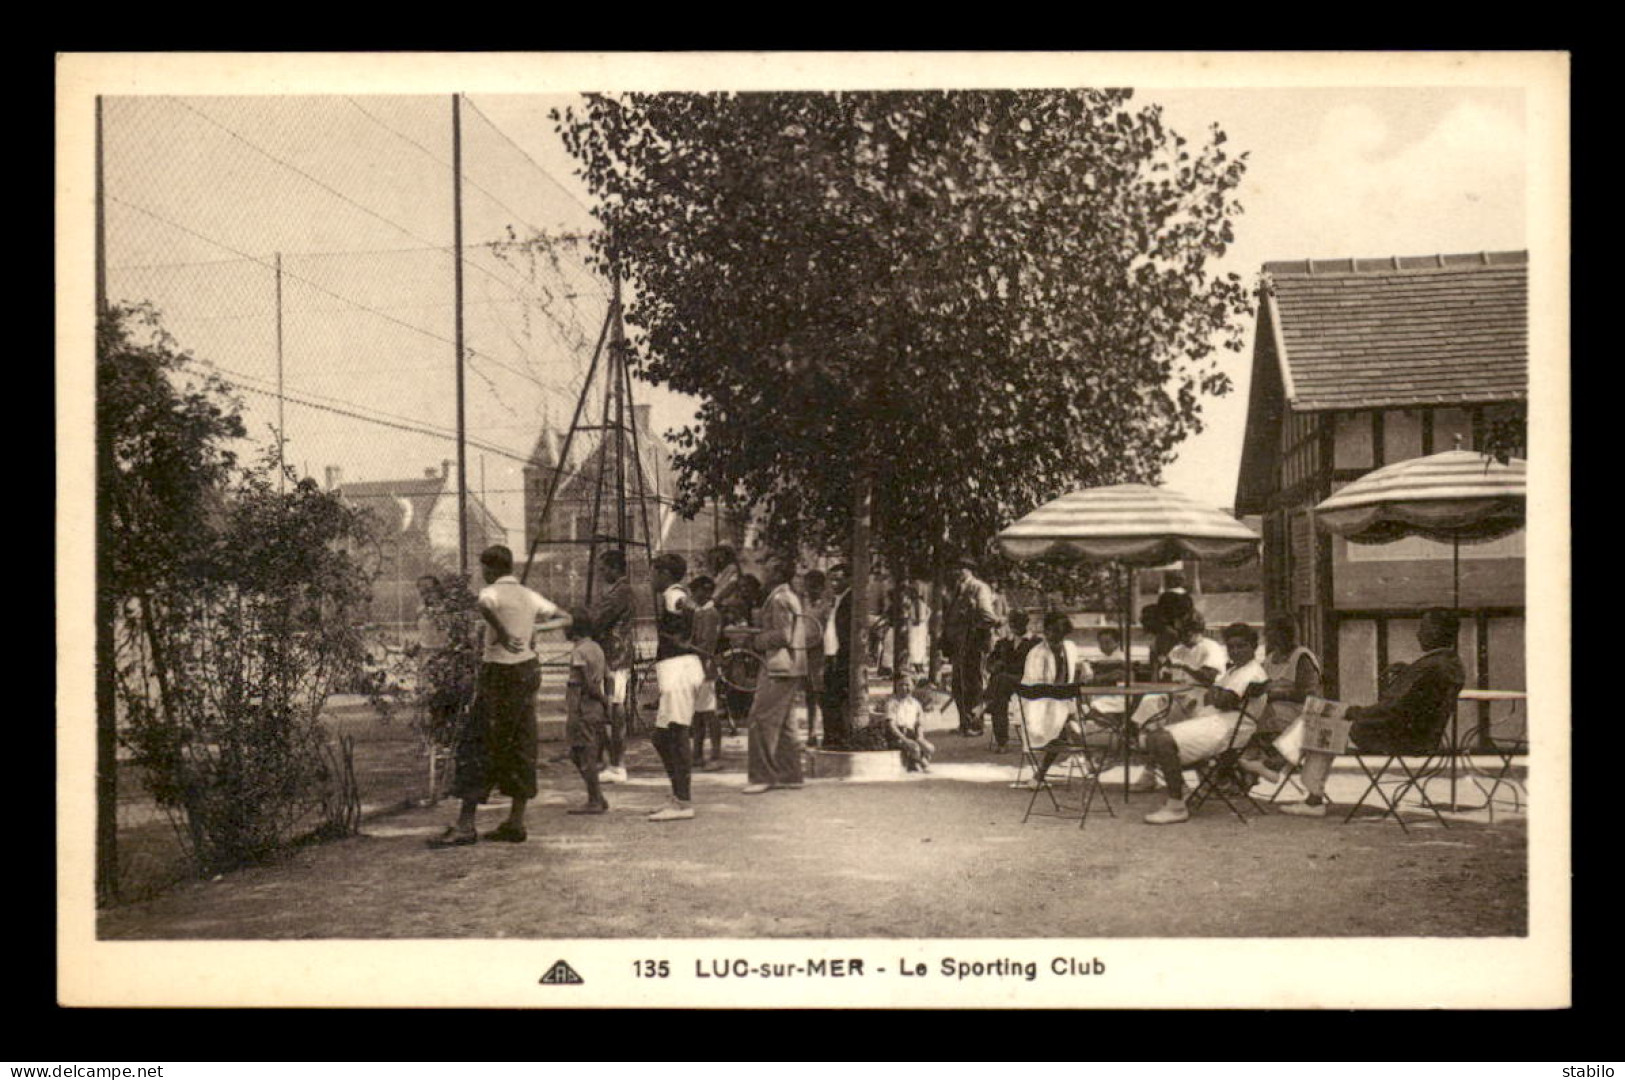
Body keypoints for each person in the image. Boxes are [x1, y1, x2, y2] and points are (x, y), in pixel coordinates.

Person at [429, 545, 570, 848]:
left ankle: (466, 826)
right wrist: (535, 630)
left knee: (479, 742)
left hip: (500, 673)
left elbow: (483, 606)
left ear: (490, 569)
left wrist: (504, 634)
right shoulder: (528, 595)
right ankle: (515, 822)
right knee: (521, 741)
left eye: (484, 568)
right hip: (527, 671)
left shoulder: (491, 591)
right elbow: (566, 618)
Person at [1276, 608, 1466, 818]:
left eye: (1423, 628)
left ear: (1438, 631)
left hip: (1392, 735)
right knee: (1318, 712)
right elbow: (1409, 703)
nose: (1418, 634)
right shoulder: (1449, 663)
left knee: (1320, 721)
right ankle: (1280, 766)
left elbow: (1392, 709)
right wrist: (1406, 673)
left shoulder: (1430, 666)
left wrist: (1353, 712)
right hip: (1418, 736)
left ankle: (1295, 783)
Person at [1135, 622, 1270, 825]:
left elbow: (1225, 701)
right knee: (1152, 738)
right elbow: (1210, 696)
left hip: (1231, 728)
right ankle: (1180, 791)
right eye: (1231, 647)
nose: (1235, 651)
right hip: (1214, 719)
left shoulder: (1252, 672)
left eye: (1241, 646)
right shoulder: (1233, 671)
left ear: (1254, 647)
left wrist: (1217, 694)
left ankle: (1176, 805)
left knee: (1161, 740)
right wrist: (1217, 694)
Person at [743, 550, 807, 794]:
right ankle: (790, 774)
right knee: (786, 724)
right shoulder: (787, 596)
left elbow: (783, 635)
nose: (763, 571)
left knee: (759, 718)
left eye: (767, 568)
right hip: (790, 666)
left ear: (778, 573)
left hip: (779, 666)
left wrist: (755, 640)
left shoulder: (780, 599)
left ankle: (762, 777)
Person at [648, 553, 703, 821]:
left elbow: (688, 606)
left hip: (680, 667)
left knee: (677, 732)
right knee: (660, 737)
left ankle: (683, 802)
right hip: (672, 669)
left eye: (653, 572)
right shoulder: (670, 594)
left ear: (665, 574)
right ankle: (677, 795)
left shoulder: (673, 593)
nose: (650, 578)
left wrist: (684, 636)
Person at [1237, 616, 1323, 784]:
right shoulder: (1270, 658)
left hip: (1300, 714)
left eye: (1271, 632)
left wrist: (1274, 694)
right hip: (1274, 712)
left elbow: (1309, 695)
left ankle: (1264, 766)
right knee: (1245, 717)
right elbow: (1262, 685)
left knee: (1253, 722)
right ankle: (1249, 770)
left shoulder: (1302, 657)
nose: (1267, 636)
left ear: (1285, 633)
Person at [1017, 611, 1094, 789]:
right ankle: (1087, 760)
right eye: (1050, 632)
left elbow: (1078, 662)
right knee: (1069, 726)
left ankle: (1042, 774)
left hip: (1062, 702)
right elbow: (1036, 688)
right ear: (1046, 631)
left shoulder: (1070, 647)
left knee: (1073, 722)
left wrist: (1085, 665)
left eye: (1058, 634)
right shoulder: (1037, 654)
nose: (1053, 636)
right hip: (1039, 705)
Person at [1130, 613, 1225, 732]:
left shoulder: (1210, 647)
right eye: (1180, 632)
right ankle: (1144, 736)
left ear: (1197, 630)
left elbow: (1209, 678)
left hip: (1200, 693)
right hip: (1175, 692)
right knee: (1149, 700)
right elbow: (1165, 677)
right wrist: (1162, 667)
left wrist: (1185, 667)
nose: (1182, 636)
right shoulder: (1177, 650)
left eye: (1186, 632)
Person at [588, 548, 632, 785]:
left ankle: (617, 765)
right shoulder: (616, 590)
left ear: (616, 568)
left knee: (615, 709)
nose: (601, 573)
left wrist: (582, 622)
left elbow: (599, 619)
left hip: (615, 656)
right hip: (611, 654)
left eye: (604, 569)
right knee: (610, 708)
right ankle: (608, 761)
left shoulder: (621, 592)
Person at [943, 557, 1001, 737]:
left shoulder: (978, 587)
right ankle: (964, 723)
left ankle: (975, 725)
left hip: (972, 642)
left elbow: (987, 616)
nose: (957, 572)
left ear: (970, 570)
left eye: (961, 568)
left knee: (972, 685)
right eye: (956, 568)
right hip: (959, 644)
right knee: (958, 685)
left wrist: (973, 626)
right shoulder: (958, 588)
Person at [562, 607, 611, 815]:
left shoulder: (579, 652)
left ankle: (594, 800)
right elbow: (609, 677)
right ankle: (597, 795)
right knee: (578, 753)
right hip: (596, 709)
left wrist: (572, 716)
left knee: (585, 755)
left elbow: (583, 686)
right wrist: (608, 700)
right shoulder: (597, 648)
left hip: (584, 708)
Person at [984, 610, 1039, 753]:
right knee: (999, 693)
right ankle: (1002, 741)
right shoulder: (1003, 643)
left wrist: (1003, 667)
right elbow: (990, 662)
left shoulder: (1036, 643)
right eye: (1012, 623)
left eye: (1018, 623)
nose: (1014, 626)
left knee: (999, 681)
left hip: (1028, 682)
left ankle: (982, 705)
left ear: (1026, 624)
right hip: (1005, 684)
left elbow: (1033, 666)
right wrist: (993, 666)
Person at [688, 574, 726, 771]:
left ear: (705, 591)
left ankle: (716, 755)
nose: (693, 595)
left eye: (695, 591)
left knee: (709, 712)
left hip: (706, 666)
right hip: (696, 666)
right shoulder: (699, 612)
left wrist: (685, 647)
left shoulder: (710, 614)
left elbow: (707, 644)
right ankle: (697, 754)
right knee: (698, 713)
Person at [820, 562, 855, 750]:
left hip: (842, 657)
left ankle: (838, 739)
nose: (833, 583)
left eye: (838, 580)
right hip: (832, 655)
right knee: (829, 698)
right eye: (831, 580)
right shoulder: (837, 599)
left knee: (837, 699)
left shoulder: (851, 600)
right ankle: (832, 737)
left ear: (849, 579)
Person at [801, 568, 829, 747]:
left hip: (819, 651)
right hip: (803, 651)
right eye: (809, 586)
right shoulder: (801, 603)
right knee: (808, 694)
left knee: (820, 693)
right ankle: (811, 733)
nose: (812, 590)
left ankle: (824, 731)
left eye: (815, 587)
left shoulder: (826, 606)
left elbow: (825, 631)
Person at [885, 672, 935, 772]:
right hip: (897, 735)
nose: (904, 688)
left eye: (907, 685)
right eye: (901, 685)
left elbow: (919, 724)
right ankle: (924, 764)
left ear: (913, 686)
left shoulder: (915, 704)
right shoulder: (892, 703)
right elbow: (891, 725)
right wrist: (904, 739)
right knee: (914, 747)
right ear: (896, 686)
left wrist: (920, 737)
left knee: (929, 748)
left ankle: (914, 762)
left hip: (911, 733)